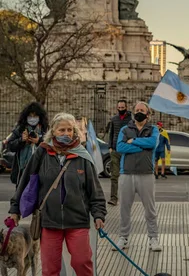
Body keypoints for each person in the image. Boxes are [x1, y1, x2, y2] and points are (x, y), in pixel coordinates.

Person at [9, 113, 106, 276]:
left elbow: (94, 189)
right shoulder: (42, 153)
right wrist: (14, 210)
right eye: (62, 130)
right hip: (49, 221)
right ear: (53, 131)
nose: (66, 133)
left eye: (70, 129)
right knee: (50, 268)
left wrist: (99, 214)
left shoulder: (83, 156)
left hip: (77, 220)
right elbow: (24, 182)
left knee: (82, 263)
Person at [114, 102, 162, 252]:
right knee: (124, 209)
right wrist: (142, 147)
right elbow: (120, 147)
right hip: (126, 174)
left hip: (146, 174)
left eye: (142, 110)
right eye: (137, 110)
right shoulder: (125, 129)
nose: (139, 112)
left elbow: (152, 143)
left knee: (150, 209)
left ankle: (153, 238)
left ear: (148, 114)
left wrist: (133, 141)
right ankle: (123, 237)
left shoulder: (153, 129)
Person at [5, 102, 49, 186]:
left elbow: (52, 147)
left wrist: (39, 141)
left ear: (40, 117)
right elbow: (10, 146)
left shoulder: (45, 130)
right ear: (26, 117)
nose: (32, 118)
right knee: (21, 195)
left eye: (35, 116)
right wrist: (21, 140)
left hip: (40, 168)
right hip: (22, 170)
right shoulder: (19, 129)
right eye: (30, 116)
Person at [105, 99, 131, 206]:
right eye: (119, 108)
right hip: (115, 150)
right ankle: (113, 198)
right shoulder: (114, 119)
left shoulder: (131, 120)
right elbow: (111, 133)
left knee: (127, 176)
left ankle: (127, 199)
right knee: (114, 175)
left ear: (126, 108)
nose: (120, 109)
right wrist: (110, 146)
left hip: (126, 150)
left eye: (122, 108)